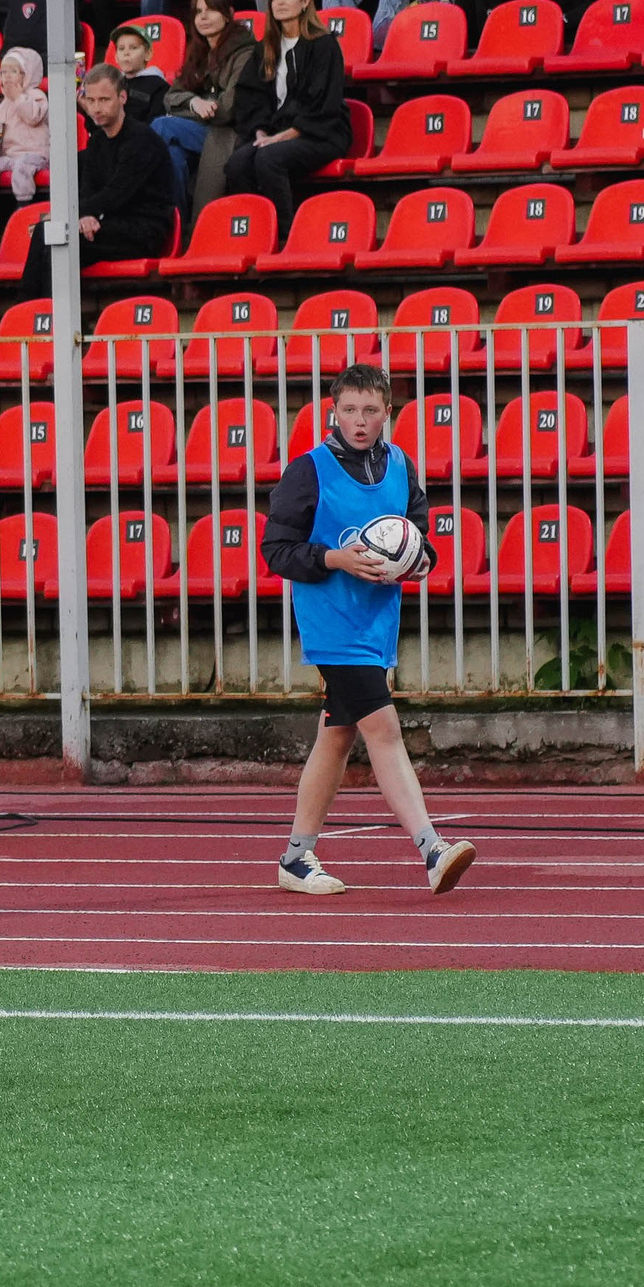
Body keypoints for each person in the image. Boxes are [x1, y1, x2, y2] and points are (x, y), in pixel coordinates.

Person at [264, 361, 477, 899]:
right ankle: (432, 849)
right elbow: (276, 550)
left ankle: (294, 856)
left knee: (336, 737)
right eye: (349, 409)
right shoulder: (308, 471)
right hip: (332, 623)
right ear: (333, 411)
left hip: (377, 620)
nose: (359, 420)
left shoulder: (401, 465)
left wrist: (421, 559)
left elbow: (417, 531)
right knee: (383, 728)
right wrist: (336, 558)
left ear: (388, 414)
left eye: (371, 411)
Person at [27, 62, 173, 296]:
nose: (96, 108)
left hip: (143, 229)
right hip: (108, 224)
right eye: (91, 100)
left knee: (55, 235)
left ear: (122, 97)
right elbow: (88, 187)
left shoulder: (141, 140)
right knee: (50, 236)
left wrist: (71, 214)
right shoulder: (97, 140)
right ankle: (33, 317)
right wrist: (84, 215)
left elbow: (117, 193)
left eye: (104, 100)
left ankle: (45, 320)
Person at [222, 0, 348, 220]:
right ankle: (256, 230)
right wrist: (259, 131)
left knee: (268, 159)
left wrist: (286, 135)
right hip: (276, 133)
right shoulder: (265, 48)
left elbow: (323, 100)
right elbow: (251, 96)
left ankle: (285, 235)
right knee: (237, 164)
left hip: (320, 132)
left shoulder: (324, 45)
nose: (279, 1)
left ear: (305, 1)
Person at [150, 0, 258, 214]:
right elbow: (171, 97)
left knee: (161, 125)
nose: (203, 17)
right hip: (203, 129)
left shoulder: (246, 52)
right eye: (198, 11)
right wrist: (194, 103)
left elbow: (228, 109)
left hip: (233, 134)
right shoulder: (198, 51)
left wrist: (194, 109)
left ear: (229, 14)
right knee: (173, 158)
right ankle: (178, 226)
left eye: (211, 10)